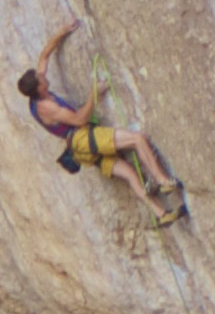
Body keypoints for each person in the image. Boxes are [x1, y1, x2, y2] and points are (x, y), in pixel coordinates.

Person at [16, 18, 188, 223]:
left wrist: (64, 30)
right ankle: (163, 181)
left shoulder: (38, 93)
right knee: (137, 139)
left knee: (129, 172)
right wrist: (94, 93)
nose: (44, 76)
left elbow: (45, 54)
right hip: (82, 138)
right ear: (39, 88)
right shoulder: (47, 107)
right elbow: (79, 119)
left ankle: (161, 214)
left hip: (81, 150)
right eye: (41, 79)